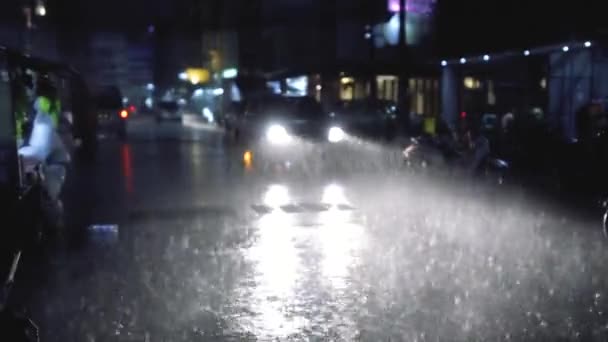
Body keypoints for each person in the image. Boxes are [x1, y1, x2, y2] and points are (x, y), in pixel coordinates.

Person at [18, 75, 70, 228]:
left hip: (51, 155)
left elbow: (39, 151)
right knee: (47, 194)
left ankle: (52, 225)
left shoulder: (41, 106)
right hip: (50, 148)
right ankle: (52, 223)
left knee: (48, 195)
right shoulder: (51, 104)